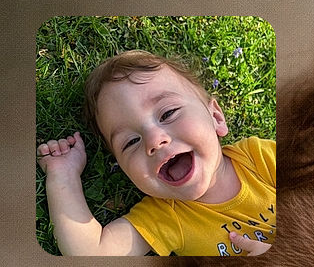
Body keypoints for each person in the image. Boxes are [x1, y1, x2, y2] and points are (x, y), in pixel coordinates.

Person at [37, 51, 275, 256]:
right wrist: (63, 176)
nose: (154, 140)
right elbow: (91, 252)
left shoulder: (260, 157)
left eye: (168, 113)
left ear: (215, 118)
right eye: (130, 142)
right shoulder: (165, 217)